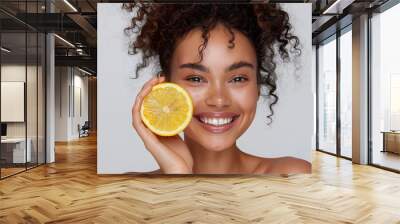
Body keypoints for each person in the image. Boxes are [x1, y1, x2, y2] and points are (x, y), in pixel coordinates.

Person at [124, 1, 311, 174]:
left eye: (238, 78)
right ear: (166, 87)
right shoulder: (129, 192)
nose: (219, 100)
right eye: (196, 78)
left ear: (257, 86)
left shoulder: (292, 174)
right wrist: (178, 175)